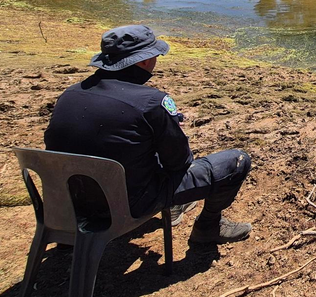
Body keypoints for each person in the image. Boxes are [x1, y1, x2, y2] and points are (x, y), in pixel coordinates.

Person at [44, 25, 253, 244]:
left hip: (71, 204)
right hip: (129, 203)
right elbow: (180, 162)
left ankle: (69, 242)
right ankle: (208, 228)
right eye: (154, 55)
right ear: (143, 61)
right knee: (236, 162)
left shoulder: (69, 94)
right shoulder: (151, 102)